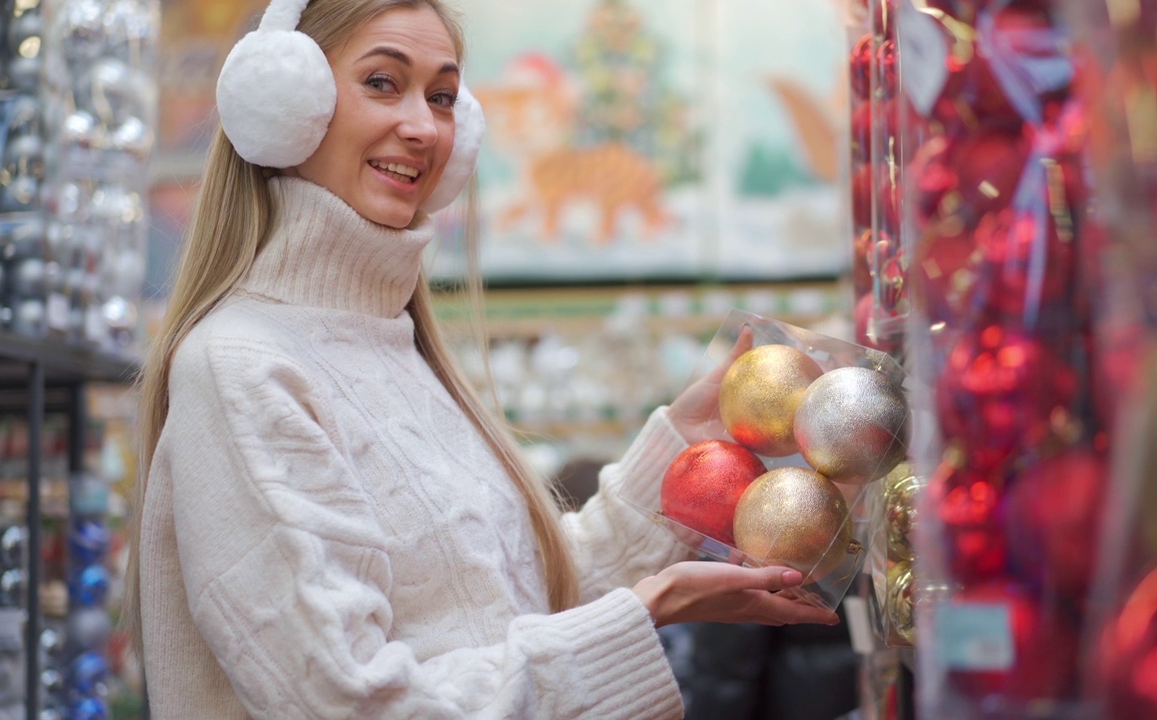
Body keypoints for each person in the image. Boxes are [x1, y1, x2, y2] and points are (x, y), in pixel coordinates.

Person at [123, 0, 840, 717]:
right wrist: (644, 610)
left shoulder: (396, 344)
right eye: (382, 83)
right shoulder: (241, 366)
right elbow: (349, 701)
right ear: (284, 103)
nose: (423, 126)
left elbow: (518, 606)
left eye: (441, 97)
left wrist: (686, 455)